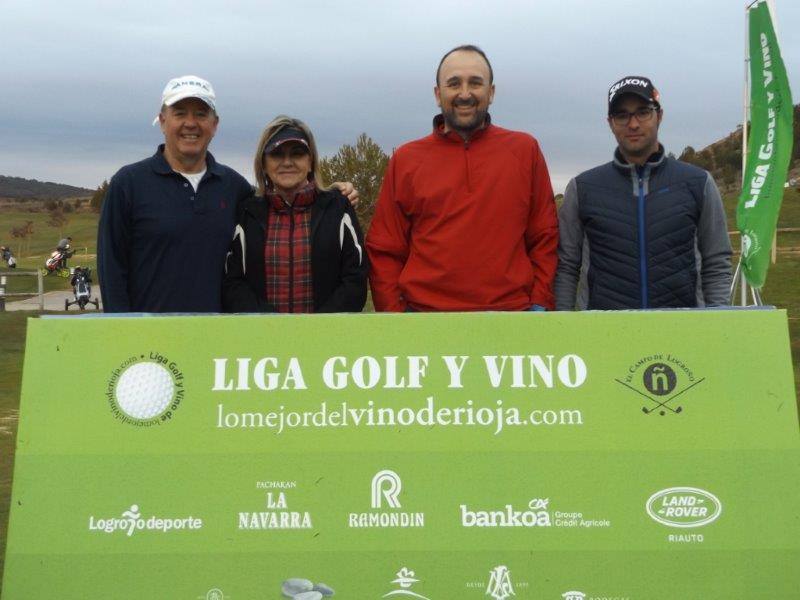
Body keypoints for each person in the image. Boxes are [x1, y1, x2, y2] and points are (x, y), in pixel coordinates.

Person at [98, 75, 359, 313]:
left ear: (215, 124)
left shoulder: (234, 189)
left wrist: (335, 191)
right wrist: (122, 331)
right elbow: (112, 271)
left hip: (222, 344)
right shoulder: (129, 184)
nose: (191, 123)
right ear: (163, 120)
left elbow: (289, 198)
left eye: (201, 114)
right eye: (179, 113)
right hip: (150, 341)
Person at [366, 45, 558, 312]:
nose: (465, 94)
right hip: (425, 320)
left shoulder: (525, 150)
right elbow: (385, 247)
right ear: (438, 94)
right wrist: (393, 315)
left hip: (512, 319)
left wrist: (540, 302)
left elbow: (544, 236)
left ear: (491, 92)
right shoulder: (407, 159)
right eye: (454, 83)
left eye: (475, 83)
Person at [554, 76, 732, 310]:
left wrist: (717, 322)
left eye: (643, 112)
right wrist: (563, 325)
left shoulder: (698, 182)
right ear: (610, 122)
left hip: (684, 333)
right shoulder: (583, 187)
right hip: (603, 336)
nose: (633, 124)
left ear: (659, 115)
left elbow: (716, 261)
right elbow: (567, 267)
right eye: (622, 115)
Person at [222, 116, 367, 313]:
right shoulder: (247, 213)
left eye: (297, 154)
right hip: (262, 337)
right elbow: (233, 283)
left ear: (310, 162)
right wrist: (268, 324)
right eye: (277, 154)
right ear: (263, 164)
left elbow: (355, 279)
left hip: (326, 338)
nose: (287, 162)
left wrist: (318, 328)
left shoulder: (338, 208)